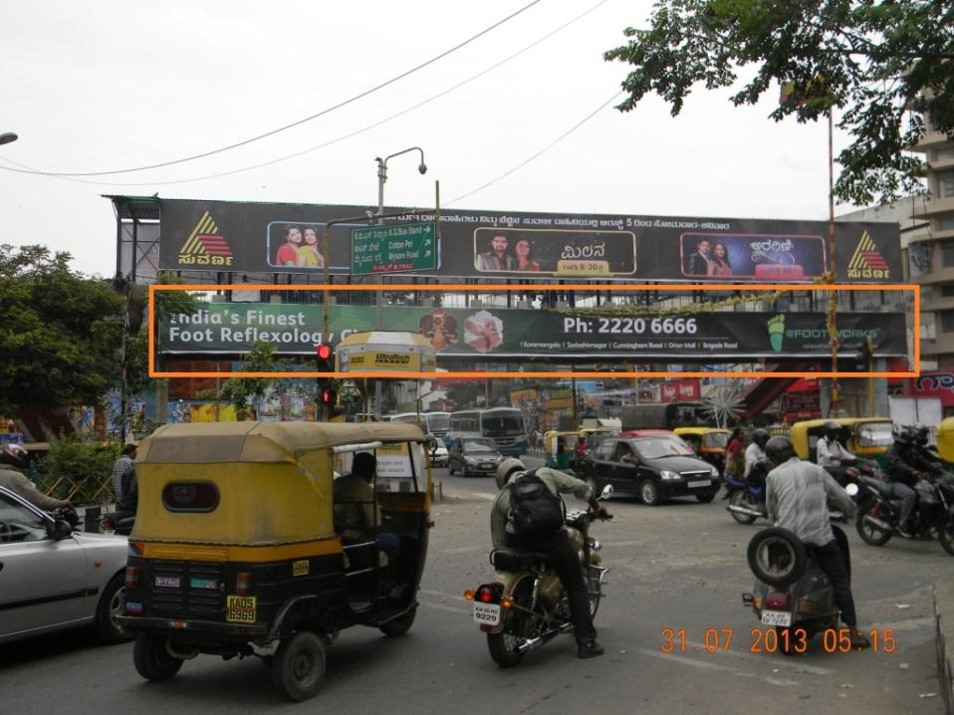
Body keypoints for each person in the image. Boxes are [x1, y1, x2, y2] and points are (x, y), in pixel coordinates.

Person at [491, 458, 609, 659]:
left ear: (502, 479)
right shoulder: (544, 473)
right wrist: (596, 507)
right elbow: (581, 487)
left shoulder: (502, 495)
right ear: (522, 467)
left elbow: (499, 541)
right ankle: (586, 642)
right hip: (553, 539)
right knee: (575, 585)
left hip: (521, 541)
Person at [763, 435, 869, 649]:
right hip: (819, 539)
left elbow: (771, 512)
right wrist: (850, 511)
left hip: (787, 542)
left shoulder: (773, 476)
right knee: (840, 579)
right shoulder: (817, 470)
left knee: (774, 572)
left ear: (773, 459)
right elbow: (841, 499)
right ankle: (854, 633)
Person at [0, 443, 70, 511]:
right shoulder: (14, 477)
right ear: (14, 457)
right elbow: (37, 500)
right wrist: (62, 503)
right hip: (11, 519)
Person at [883, 427, 926, 538]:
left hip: (908, 481)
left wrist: (934, 466)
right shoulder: (893, 450)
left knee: (925, 493)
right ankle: (902, 524)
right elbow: (897, 463)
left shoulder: (910, 448)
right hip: (894, 482)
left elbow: (921, 460)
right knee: (910, 494)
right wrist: (912, 471)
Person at [815, 422, 858, 487]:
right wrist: (839, 459)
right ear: (828, 432)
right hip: (825, 468)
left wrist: (858, 459)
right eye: (834, 432)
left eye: (837, 432)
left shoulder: (836, 443)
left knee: (853, 471)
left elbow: (846, 455)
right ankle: (839, 489)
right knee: (842, 473)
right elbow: (826, 454)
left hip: (836, 467)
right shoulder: (821, 441)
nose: (837, 434)